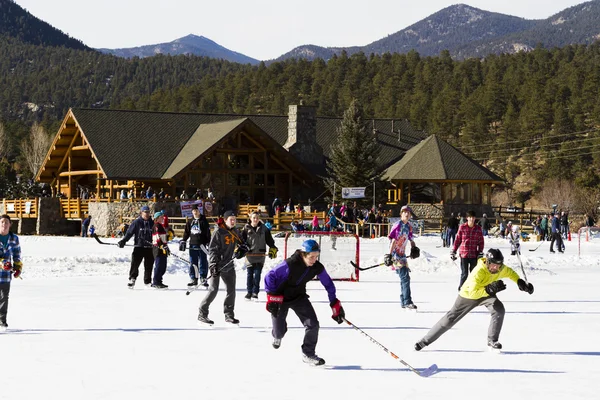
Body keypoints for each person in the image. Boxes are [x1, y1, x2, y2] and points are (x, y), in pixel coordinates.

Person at [414, 248, 534, 352]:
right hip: (468, 295)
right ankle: (425, 341)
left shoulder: (500, 268)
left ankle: (492, 341)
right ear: (487, 262)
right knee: (450, 319)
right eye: (493, 265)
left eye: (498, 265)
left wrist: (520, 282)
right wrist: (489, 290)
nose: (496, 268)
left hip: (487, 293)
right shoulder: (478, 272)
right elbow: (473, 292)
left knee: (499, 310)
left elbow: (510, 273)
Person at [264, 239, 345, 366]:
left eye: (316, 256)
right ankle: (277, 335)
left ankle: (308, 353)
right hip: (281, 298)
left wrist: (334, 302)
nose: (314, 260)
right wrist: (272, 296)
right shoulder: (290, 264)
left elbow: (328, 284)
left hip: (299, 297)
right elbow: (270, 276)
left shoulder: (316, 267)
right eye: (311, 257)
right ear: (303, 254)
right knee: (279, 331)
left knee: (313, 324)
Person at [198, 210, 246, 326]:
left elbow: (243, 243)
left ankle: (229, 315)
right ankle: (202, 313)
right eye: (231, 219)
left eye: (235, 219)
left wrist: (243, 250)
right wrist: (213, 264)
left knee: (231, 291)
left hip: (228, 265)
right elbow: (213, 250)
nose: (233, 221)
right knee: (213, 290)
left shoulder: (235, 231)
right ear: (225, 220)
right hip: (218, 265)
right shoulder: (218, 232)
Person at [384, 205, 420, 310]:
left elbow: (410, 238)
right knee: (405, 277)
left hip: (402, 255)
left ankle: (404, 301)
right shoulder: (397, 225)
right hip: (395, 255)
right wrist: (390, 255)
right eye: (405, 212)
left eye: (409, 212)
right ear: (401, 214)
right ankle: (407, 301)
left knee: (404, 278)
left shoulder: (408, 226)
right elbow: (393, 240)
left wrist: (414, 248)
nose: (407, 214)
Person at [241, 211, 277, 300]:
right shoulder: (246, 228)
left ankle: (255, 292)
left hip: (260, 255)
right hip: (249, 255)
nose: (256, 219)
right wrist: (240, 248)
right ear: (250, 219)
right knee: (249, 275)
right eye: (254, 218)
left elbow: (270, 240)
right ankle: (249, 292)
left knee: (257, 275)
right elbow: (241, 241)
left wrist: (273, 248)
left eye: (257, 218)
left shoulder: (264, 229)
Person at [118, 205, 154, 289]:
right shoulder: (137, 222)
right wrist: (123, 241)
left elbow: (157, 234)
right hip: (139, 246)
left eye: (148, 212)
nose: (147, 214)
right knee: (135, 264)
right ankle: (132, 279)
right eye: (145, 212)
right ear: (141, 213)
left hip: (149, 247)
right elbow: (129, 233)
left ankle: (147, 281)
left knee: (149, 265)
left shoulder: (152, 223)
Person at [451, 210, 485, 291]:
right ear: (467, 218)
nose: (471, 219)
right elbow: (458, 240)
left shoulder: (478, 228)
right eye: (470, 217)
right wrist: (454, 250)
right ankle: (461, 288)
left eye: (473, 217)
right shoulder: (462, 227)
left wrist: (480, 251)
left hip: (474, 254)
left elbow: (481, 241)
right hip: (464, 254)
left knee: (473, 273)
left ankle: (473, 289)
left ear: (475, 218)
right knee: (464, 274)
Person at [0, 215, 23, 331]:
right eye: (2, 222)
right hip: (3, 268)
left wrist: (18, 267)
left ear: (10, 224)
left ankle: (2, 321)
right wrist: (2, 263)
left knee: (4, 297)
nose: (4, 224)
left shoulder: (14, 238)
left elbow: (17, 255)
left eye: (6, 222)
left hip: (5, 276)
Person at [181, 204, 211, 288]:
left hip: (202, 245)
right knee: (193, 262)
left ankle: (203, 277)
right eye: (193, 211)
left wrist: (208, 242)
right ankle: (193, 278)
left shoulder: (203, 221)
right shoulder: (190, 221)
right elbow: (186, 232)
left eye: (196, 210)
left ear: (199, 211)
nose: (195, 212)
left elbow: (207, 233)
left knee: (203, 262)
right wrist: (183, 240)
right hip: (192, 245)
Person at [151, 211, 170, 289]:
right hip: (158, 248)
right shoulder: (156, 226)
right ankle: (156, 281)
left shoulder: (161, 226)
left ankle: (159, 281)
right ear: (157, 218)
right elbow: (157, 237)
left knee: (163, 266)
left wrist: (168, 238)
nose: (163, 218)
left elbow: (163, 237)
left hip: (163, 248)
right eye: (161, 217)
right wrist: (162, 245)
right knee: (159, 265)